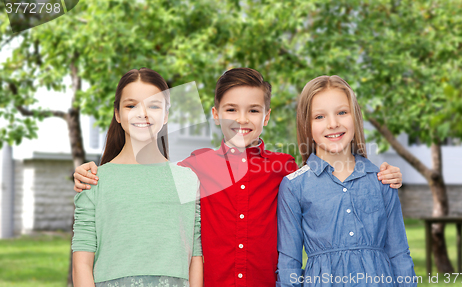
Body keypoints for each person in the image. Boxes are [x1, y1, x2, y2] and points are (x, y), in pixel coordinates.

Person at [72, 68, 403, 287]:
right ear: (215, 114)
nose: (241, 119)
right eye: (230, 109)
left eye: (253, 110)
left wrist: (382, 172)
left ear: (267, 116)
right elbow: (144, 183)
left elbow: (331, 178)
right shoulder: (193, 169)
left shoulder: (286, 169)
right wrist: (91, 172)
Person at [276, 75, 416, 287]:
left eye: (342, 112)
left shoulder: (381, 179)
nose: (333, 124)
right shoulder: (294, 187)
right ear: (307, 124)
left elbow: (399, 254)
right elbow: (289, 264)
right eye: (319, 116)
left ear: (355, 117)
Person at [71, 68, 203, 287]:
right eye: (131, 105)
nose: (143, 113)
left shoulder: (187, 179)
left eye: (153, 105)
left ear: (166, 114)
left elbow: (195, 256)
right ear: (117, 114)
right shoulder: (94, 180)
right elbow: (82, 263)